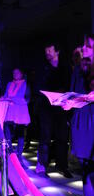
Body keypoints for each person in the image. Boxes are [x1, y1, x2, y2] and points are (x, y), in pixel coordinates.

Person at [64, 35, 94, 196]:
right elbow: (74, 92)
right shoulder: (78, 69)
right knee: (87, 165)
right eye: (84, 47)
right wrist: (69, 103)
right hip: (83, 118)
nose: (84, 50)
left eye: (88, 46)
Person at [36, 43, 72, 178]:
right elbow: (39, 86)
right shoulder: (44, 68)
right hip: (46, 107)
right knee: (45, 137)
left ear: (57, 51)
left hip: (62, 108)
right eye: (46, 51)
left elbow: (69, 85)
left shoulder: (66, 67)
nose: (47, 53)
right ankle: (41, 166)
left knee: (62, 138)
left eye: (50, 50)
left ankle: (62, 165)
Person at [1, 68, 30, 165]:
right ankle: (10, 154)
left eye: (17, 72)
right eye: (14, 72)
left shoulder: (25, 83)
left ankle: (19, 155)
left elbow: (27, 99)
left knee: (20, 133)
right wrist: (4, 98)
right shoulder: (9, 84)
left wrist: (13, 100)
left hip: (20, 111)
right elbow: (6, 95)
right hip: (10, 110)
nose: (15, 74)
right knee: (8, 130)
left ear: (22, 73)